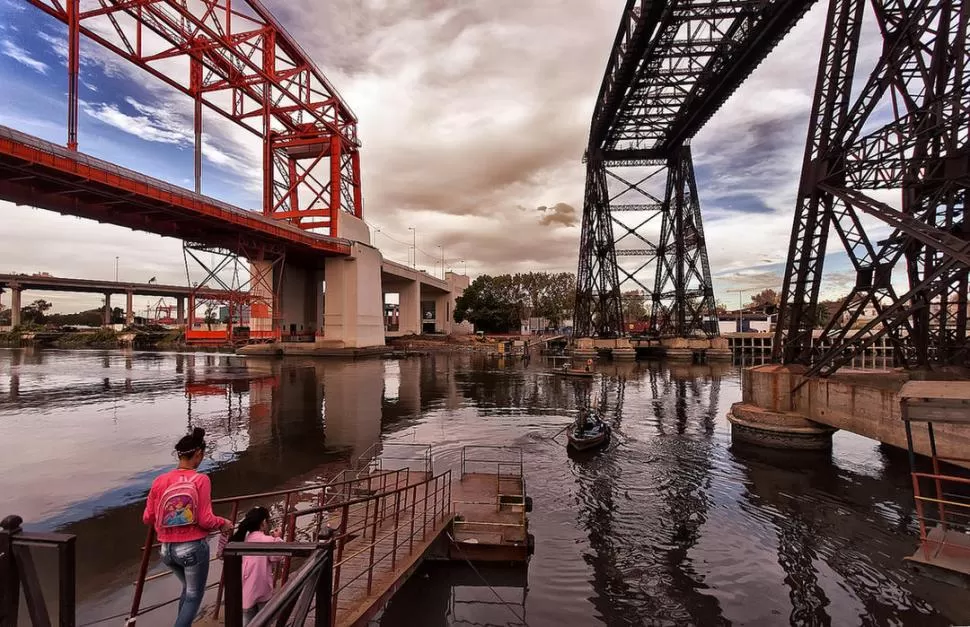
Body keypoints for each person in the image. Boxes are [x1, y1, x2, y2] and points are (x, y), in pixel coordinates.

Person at [143, 428, 232, 627]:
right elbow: (205, 520)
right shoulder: (201, 480)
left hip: (166, 550)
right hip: (192, 549)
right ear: (198, 454)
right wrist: (223, 523)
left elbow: (148, 517)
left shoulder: (160, 481)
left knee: (187, 589)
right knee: (194, 595)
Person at [229, 506, 284, 625]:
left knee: (248, 620)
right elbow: (279, 555)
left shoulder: (243, 539)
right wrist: (278, 537)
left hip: (246, 590)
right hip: (262, 588)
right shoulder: (268, 541)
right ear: (263, 523)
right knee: (265, 619)